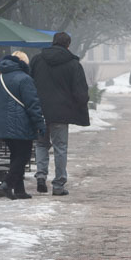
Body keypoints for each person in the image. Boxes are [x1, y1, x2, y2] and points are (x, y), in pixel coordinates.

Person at [29, 31, 90, 196]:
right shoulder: (73, 64)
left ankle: (41, 176)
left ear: (53, 42)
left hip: (40, 111)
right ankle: (58, 185)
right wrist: (81, 103)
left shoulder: (37, 60)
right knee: (60, 147)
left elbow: (29, 83)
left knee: (41, 144)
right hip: (61, 113)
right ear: (68, 45)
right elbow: (80, 92)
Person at [0, 53, 46, 200]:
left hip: (2, 124)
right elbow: (32, 104)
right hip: (21, 124)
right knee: (23, 155)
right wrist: (40, 124)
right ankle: (8, 183)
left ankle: (19, 190)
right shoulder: (25, 79)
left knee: (15, 155)